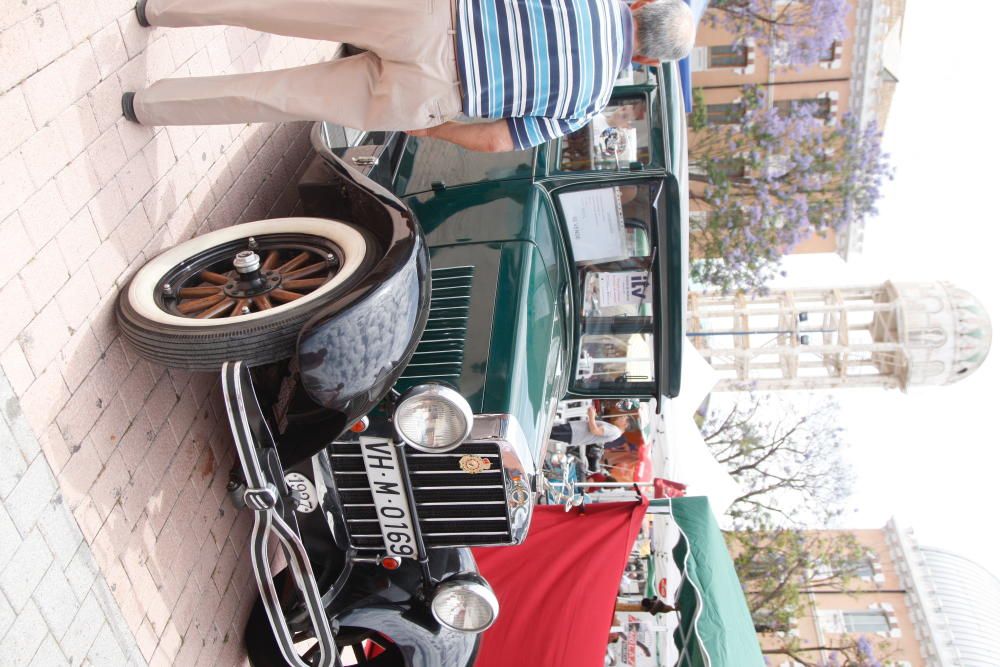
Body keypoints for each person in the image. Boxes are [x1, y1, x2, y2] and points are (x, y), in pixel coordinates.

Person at [121, 0, 696, 153]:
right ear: (647, 62)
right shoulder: (590, 100)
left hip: (428, 17)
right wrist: (433, 132)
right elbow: (498, 138)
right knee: (277, 99)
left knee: (282, 5)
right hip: (432, 96)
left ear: (642, 5)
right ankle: (146, 106)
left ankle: (161, 9)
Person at [550, 406, 630, 471]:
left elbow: (595, 431)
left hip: (575, 433)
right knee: (550, 432)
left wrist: (591, 415)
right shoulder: (616, 432)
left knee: (549, 432)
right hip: (575, 433)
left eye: (623, 418)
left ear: (626, 424)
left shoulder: (615, 431)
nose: (620, 417)